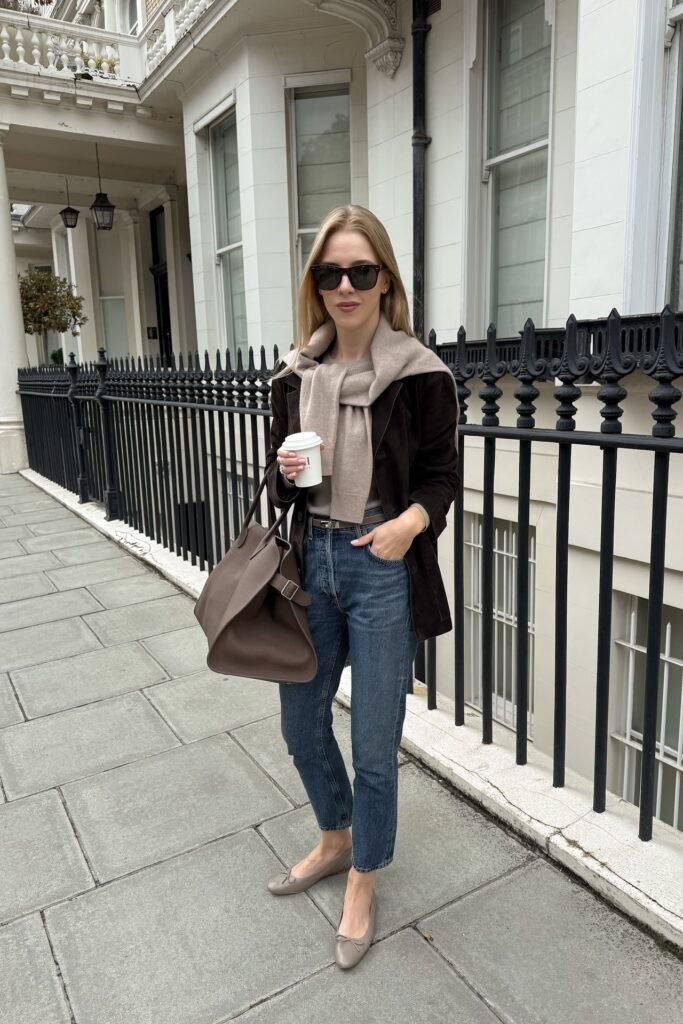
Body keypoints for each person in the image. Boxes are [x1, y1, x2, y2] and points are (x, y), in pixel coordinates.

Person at [264, 204, 459, 970]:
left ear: (385, 282)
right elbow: (282, 489)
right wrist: (282, 475)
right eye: (329, 272)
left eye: (361, 271)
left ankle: (364, 881)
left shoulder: (419, 374)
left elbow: (441, 478)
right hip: (310, 562)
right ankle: (336, 837)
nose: (345, 285)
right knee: (300, 726)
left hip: (380, 566)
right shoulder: (294, 375)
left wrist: (410, 525)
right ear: (316, 284)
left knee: (374, 746)